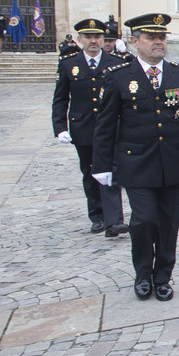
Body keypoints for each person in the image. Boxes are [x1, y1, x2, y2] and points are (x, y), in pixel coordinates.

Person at [92, 13, 179, 302]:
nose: (158, 42)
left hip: (172, 162)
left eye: (162, 37)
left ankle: (162, 277)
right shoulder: (120, 76)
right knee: (144, 221)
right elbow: (106, 123)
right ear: (135, 42)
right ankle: (142, 273)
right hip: (136, 162)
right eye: (151, 37)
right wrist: (102, 165)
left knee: (169, 222)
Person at [52, 18, 126, 235]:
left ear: (104, 39)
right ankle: (97, 215)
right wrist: (60, 127)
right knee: (90, 172)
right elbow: (60, 98)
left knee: (112, 170)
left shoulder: (115, 62)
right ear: (79, 39)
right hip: (83, 127)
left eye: (97, 37)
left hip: (112, 126)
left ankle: (114, 220)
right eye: (88, 37)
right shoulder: (68, 63)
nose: (93, 41)